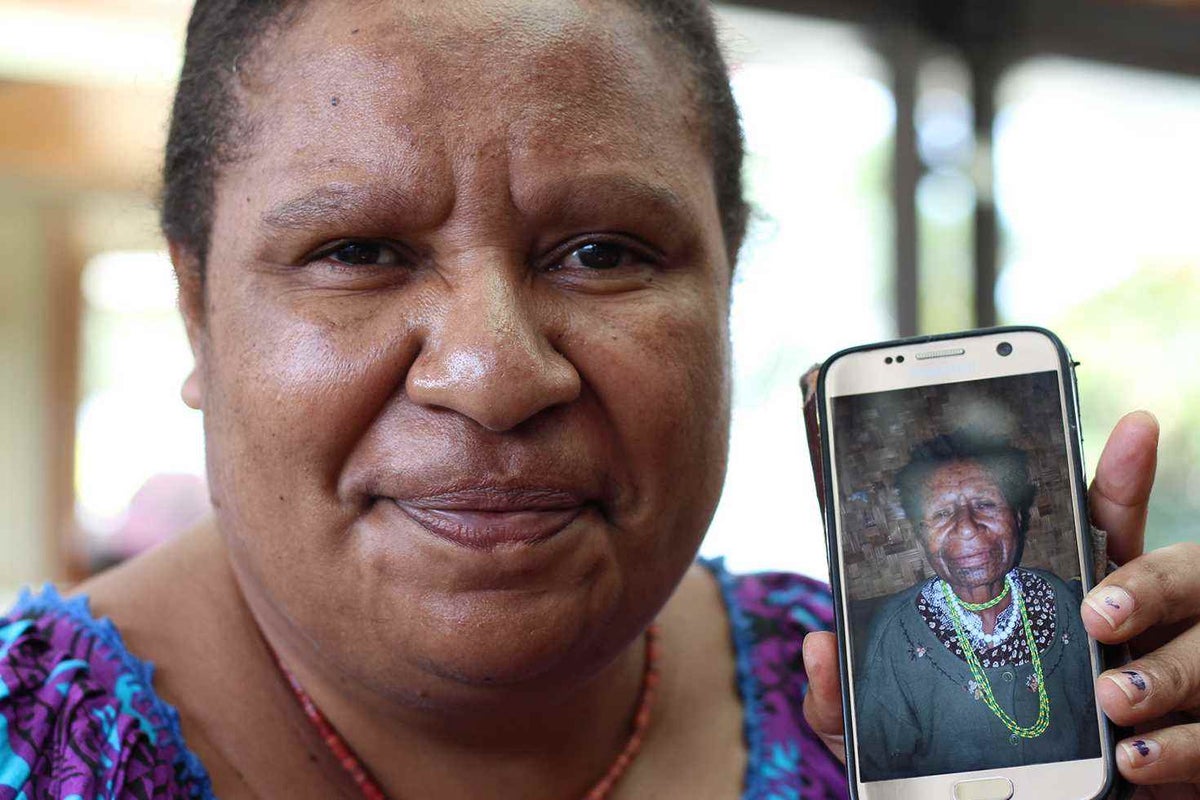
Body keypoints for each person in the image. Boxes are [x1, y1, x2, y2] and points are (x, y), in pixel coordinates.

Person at [0, 2, 1197, 798]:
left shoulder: (873, 701)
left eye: (604, 252)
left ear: (729, 282)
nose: (495, 373)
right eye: (361, 249)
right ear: (197, 306)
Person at [855, 431, 1099, 780]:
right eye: (941, 513)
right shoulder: (897, 632)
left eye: (985, 504)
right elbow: (880, 770)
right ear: (920, 534)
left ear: (1016, 515)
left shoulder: (1059, 600)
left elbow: (1097, 728)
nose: (967, 528)